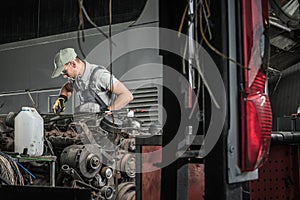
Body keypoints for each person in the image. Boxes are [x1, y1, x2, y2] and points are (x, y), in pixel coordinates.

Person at [51, 47, 133, 114]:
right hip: (91, 124)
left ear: (73, 64)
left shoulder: (99, 75)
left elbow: (127, 95)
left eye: (65, 72)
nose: (65, 76)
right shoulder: (76, 79)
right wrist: (62, 98)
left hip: (107, 125)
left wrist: (109, 110)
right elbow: (67, 88)